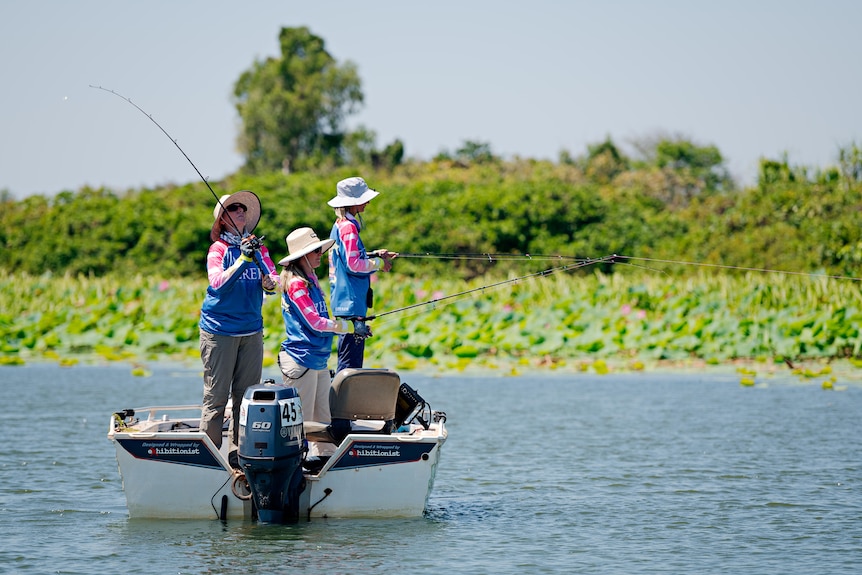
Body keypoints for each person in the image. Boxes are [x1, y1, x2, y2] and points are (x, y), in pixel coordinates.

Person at [198, 190, 279, 468]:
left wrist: (268, 278)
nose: (241, 211)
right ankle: (208, 460)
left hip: (251, 331)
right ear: (222, 219)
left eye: (243, 207)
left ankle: (237, 458)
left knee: (246, 398)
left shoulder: (260, 249)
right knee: (216, 397)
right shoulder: (218, 250)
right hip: (219, 331)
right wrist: (243, 259)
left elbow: (273, 282)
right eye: (233, 208)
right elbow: (217, 283)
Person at [276, 227, 369, 459]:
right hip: (301, 361)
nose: (320, 254)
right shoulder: (296, 284)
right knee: (302, 423)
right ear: (303, 255)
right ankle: (294, 466)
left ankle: (326, 461)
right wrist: (348, 327)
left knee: (323, 420)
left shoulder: (311, 279)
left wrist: (346, 325)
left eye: (319, 249)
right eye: (315, 250)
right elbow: (315, 322)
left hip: (317, 360)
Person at [327, 176, 397, 372]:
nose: (367, 202)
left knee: (348, 363)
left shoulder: (340, 225)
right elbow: (353, 264)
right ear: (352, 203)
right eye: (363, 199)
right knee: (350, 366)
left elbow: (349, 256)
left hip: (346, 302)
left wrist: (374, 254)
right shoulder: (348, 228)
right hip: (350, 304)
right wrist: (379, 264)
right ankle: (343, 402)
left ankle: (343, 400)